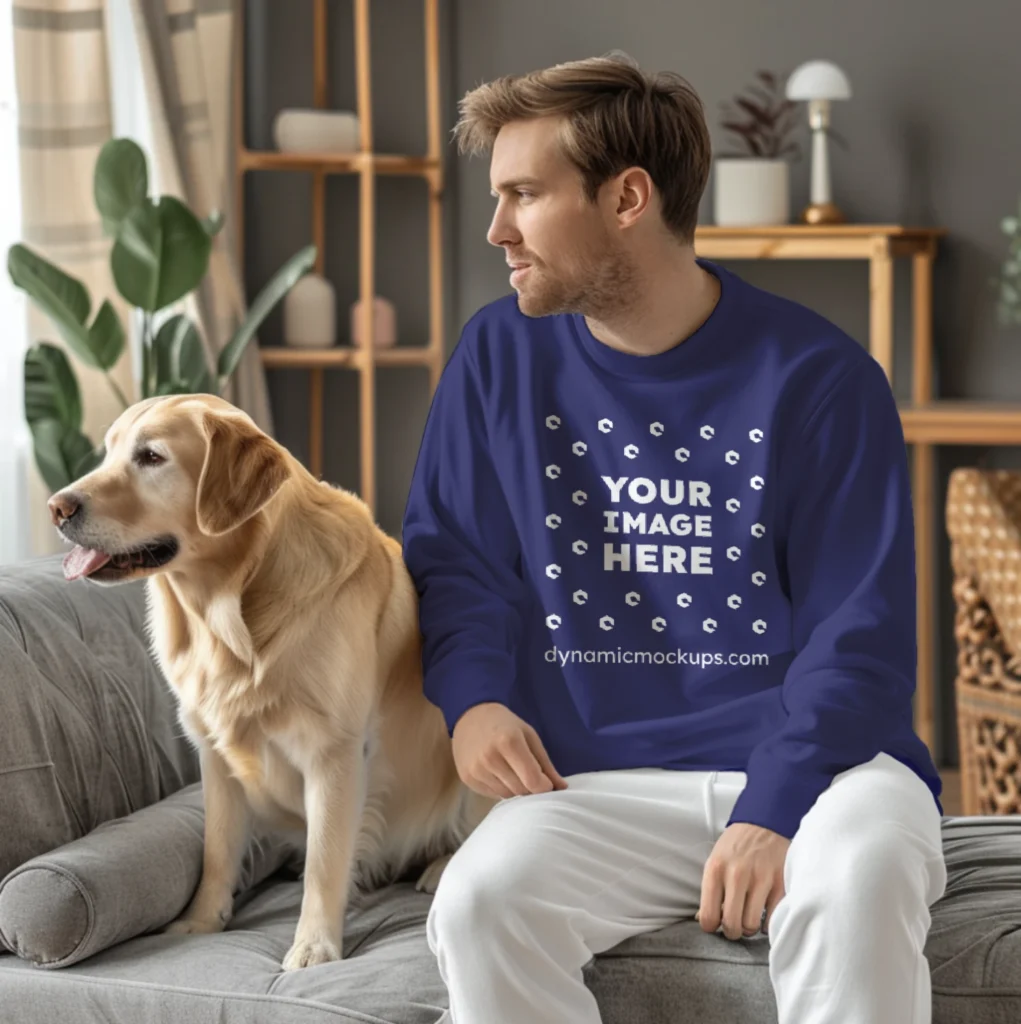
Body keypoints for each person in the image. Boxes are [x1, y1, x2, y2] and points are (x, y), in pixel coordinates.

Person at [400, 51, 946, 1024]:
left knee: (855, 884)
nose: (496, 229)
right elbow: (456, 558)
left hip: (827, 769)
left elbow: (855, 639)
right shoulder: (496, 355)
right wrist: (473, 700)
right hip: (597, 778)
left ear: (627, 198)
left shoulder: (818, 378)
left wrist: (769, 810)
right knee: (479, 902)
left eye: (524, 194)